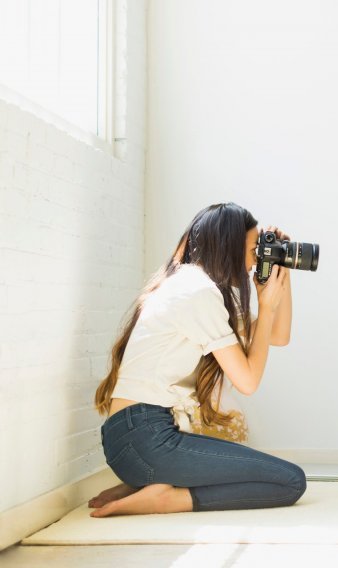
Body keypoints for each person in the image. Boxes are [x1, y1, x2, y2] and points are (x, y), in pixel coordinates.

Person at [88, 203, 306, 517]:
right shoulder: (198, 292)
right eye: (252, 249)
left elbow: (277, 336)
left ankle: (147, 483)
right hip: (144, 440)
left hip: (136, 439)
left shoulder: (194, 286)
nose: (256, 257)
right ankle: (165, 498)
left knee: (282, 477)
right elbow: (248, 382)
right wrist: (266, 305)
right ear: (227, 248)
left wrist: (281, 274)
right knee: (290, 482)